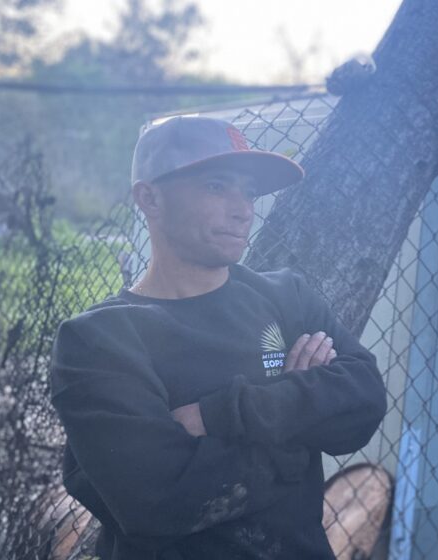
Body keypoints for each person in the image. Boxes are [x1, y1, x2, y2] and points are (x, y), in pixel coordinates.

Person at [49, 116, 388, 559]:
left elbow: (362, 405)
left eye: (247, 191)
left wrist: (223, 414)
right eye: (216, 186)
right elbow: (159, 504)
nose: (242, 209)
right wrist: (295, 433)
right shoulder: (98, 341)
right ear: (149, 198)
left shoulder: (287, 297)